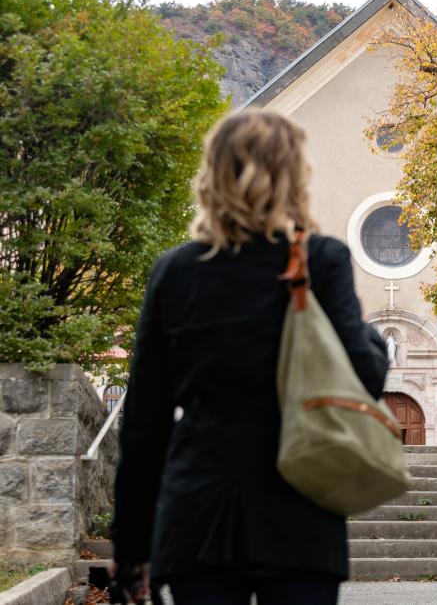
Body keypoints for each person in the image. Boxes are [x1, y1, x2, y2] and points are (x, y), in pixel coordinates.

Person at [111, 109, 389, 604]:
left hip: (199, 514)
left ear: (212, 174)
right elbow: (364, 376)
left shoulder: (175, 272)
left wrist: (132, 550)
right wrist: (373, 341)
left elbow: (144, 424)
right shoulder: (318, 260)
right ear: (292, 176)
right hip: (300, 507)